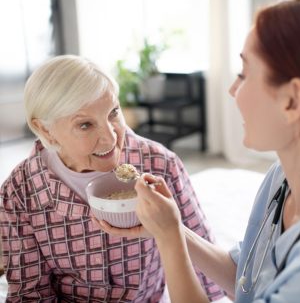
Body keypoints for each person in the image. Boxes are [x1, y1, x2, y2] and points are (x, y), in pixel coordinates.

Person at [97, 0, 300, 302]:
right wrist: (172, 227)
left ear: (292, 100)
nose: (232, 89)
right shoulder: (283, 178)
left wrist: (169, 240)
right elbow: (245, 281)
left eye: (243, 73)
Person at [0, 55, 225, 302]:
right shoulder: (19, 192)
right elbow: (31, 294)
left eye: (113, 112)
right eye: (85, 125)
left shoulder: (161, 164)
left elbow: (209, 272)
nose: (110, 138)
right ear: (45, 129)